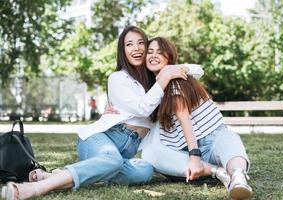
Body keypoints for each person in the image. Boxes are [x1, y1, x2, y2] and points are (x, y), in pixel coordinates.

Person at [1, 26, 195, 200]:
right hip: (98, 139)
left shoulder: (155, 80)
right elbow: (143, 107)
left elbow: (197, 70)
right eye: (129, 44)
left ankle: (56, 176)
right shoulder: (118, 78)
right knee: (112, 160)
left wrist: (173, 70)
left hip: (125, 153)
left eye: (141, 43)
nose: (136, 48)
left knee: (145, 170)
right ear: (123, 51)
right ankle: (35, 188)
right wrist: (166, 77)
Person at [140, 37, 253, 199]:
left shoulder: (176, 80)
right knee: (149, 154)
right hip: (185, 150)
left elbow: (184, 118)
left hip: (211, 140)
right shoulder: (155, 89)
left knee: (229, 139)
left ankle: (238, 176)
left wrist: (194, 156)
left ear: (169, 57)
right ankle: (219, 172)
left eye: (159, 52)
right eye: (150, 52)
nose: (153, 55)